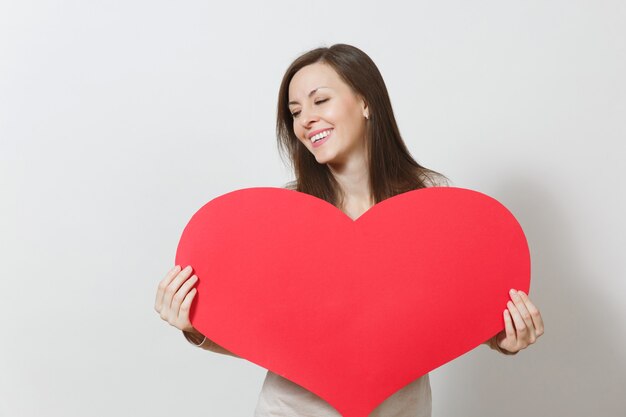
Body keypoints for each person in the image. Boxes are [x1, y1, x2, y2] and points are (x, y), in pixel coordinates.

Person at [154, 43, 545, 417]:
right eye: (294, 111)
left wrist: (502, 337)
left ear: (365, 102)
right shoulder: (284, 220)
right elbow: (267, 339)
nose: (305, 119)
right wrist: (197, 328)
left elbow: (448, 316)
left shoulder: (432, 214)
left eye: (320, 100)